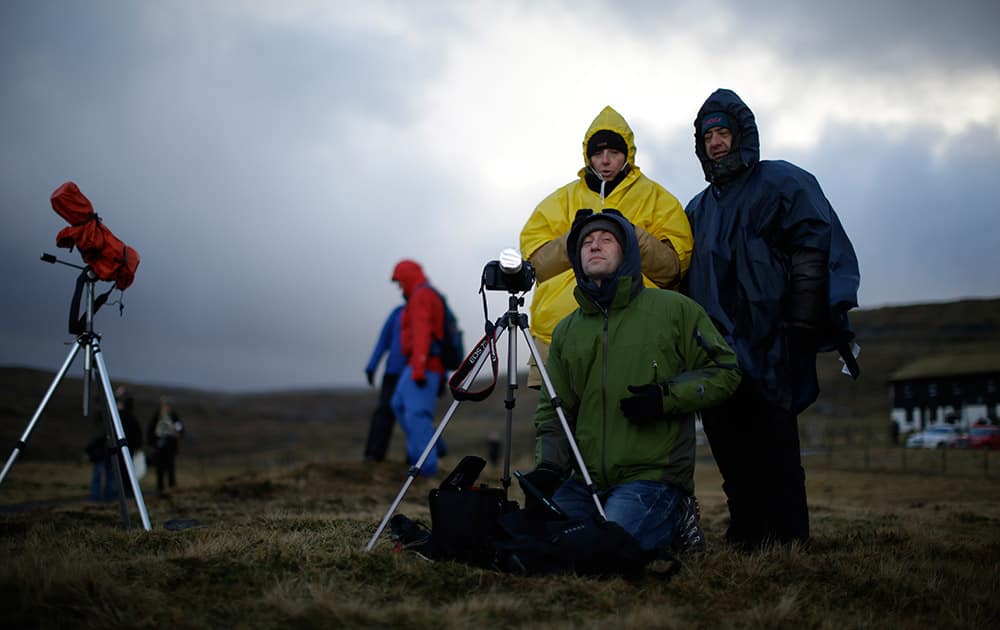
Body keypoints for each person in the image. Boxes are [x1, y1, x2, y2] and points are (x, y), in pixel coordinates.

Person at [683, 88, 860, 550]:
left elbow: (811, 246)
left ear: (742, 135)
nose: (716, 142)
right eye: (708, 136)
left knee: (774, 445)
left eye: (723, 132)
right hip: (716, 349)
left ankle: (787, 537)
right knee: (727, 442)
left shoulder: (782, 183)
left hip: (772, 340)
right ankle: (747, 532)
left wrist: (802, 320)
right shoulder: (698, 208)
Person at [525, 210, 741, 553]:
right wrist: (549, 466)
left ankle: (680, 513)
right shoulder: (566, 330)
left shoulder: (676, 310)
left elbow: (725, 371)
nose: (595, 246)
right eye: (586, 242)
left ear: (628, 253)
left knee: (611, 549)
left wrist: (666, 397)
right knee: (538, 541)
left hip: (651, 477)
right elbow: (555, 411)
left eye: (606, 240)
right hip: (585, 480)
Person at [520, 105, 694, 389]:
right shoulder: (558, 202)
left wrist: (629, 234)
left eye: (613, 153)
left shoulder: (659, 199)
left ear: (628, 154)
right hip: (558, 336)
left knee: (625, 425)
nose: (605, 161)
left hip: (638, 336)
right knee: (557, 425)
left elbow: (672, 270)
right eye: (598, 153)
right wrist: (575, 238)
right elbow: (535, 266)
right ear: (587, 156)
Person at [389, 260, 450, 477]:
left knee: (417, 416)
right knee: (397, 404)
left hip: (424, 365)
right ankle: (434, 446)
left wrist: (419, 368)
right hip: (417, 363)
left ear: (407, 276)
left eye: (400, 281)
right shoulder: (420, 294)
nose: (399, 287)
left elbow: (422, 332)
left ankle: (427, 469)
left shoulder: (422, 296)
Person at [363, 304, 406, 462]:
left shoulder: (420, 307)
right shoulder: (398, 312)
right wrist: (371, 366)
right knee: (384, 412)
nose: (401, 288)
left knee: (412, 415)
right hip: (394, 373)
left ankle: (417, 457)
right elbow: (383, 340)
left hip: (412, 373)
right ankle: (374, 454)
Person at [147, 397, 184, 493]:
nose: (166, 407)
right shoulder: (157, 416)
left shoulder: (174, 417)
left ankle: (172, 489)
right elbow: (150, 430)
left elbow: (180, 429)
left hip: (170, 448)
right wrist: (152, 444)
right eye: (165, 405)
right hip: (159, 447)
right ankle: (160, 489)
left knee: (171, 469)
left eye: (168, 405)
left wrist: (179, 433)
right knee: (159, 469)